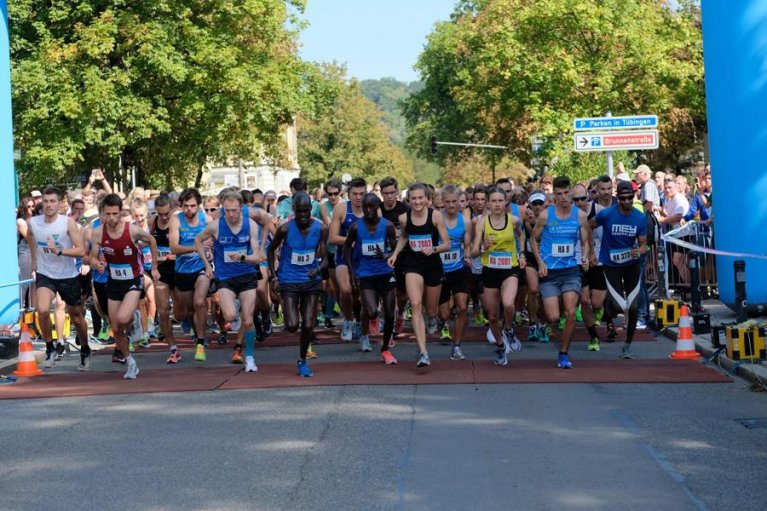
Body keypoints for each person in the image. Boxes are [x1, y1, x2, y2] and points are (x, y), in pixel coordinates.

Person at [90, 193, 160, 379]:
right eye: (107, 214)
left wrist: (154, 266)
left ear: (121, 212)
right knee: (116, 327)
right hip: (113, 280)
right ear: (102, 214)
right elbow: (92, 257)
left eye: (115, 213)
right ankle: (131, 363)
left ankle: (135, 317)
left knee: (122, 318)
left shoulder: (132, 230)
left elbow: (152, 240)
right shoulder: (98, 233)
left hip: (133, 280)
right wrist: (96, 263)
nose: (111, 218)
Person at [196, 191, 263, 372]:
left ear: (241, 208)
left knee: (248, 320)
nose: (231, 215)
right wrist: (207, 265)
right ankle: (238, 310)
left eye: (234, 210)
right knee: (230, 316)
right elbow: (198, 240)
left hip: (247, 275)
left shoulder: (251, 225)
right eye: (227, 211)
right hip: (225, 277)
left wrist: (242, 257)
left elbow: (257, 257)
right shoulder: (216, 226)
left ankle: (249, 357)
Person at [26, 186, 91, 371]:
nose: (48, 205)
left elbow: (81, 250)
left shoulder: (68, 224)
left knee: (77, 317)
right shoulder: (33, 222)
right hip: (45, 273)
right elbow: (30, 237)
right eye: (45, 201)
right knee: (43, 310)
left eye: (52, 201)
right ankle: (50, 349)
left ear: (60, 204)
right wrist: (34, 259)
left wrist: (61, 251)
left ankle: (85, 349)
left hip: (68, 275)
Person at [530, 176, 591, 369]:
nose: (563, 197)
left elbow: (586, 241)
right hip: (550, 272)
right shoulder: (546, 216)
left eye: (566, 193)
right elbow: (533, 240)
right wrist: (540, 263)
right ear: (553, 195)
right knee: (554, 317)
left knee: (571, 313)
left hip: (571, 271)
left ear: (571, 192)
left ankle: (563, 353)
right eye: (559, 194)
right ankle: (544, 321)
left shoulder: (579, 216)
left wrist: (586, 256)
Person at [387, 183, 450, 367]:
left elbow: (447, 244)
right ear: (409, 200)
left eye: (420, 198)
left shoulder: (436, 216)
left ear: (427, 198)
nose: (417, 201)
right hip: (413, 264)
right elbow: (405, 236)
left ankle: (433, 319)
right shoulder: (404, 218)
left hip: (432, 266)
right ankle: (423, 352)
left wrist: (434, 248)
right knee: (415, 304)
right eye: (413, 198)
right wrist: (395, 254)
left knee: (431, 311)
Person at [268, 193, 329, 377]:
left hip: (311, 281)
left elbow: (327, 257)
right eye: (299, 211)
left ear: (311, 210)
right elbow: (270, 250)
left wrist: (318, 268)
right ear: (294, 210)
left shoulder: (321, 229)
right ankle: (285, 311)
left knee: (309, 324)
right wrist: (273, 277)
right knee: (293, 325)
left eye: (306, 211)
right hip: (289, 279)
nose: (303, 215)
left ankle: (302, 359)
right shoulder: (285, 229)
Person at [593, 181, 648, 359]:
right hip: (611, 265)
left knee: (632, 307)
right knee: (618, 305)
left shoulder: (639, 217)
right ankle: (607, 310)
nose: (626, 201)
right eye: (622, 198)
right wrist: (589, 249)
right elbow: (588, 225)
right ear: (618, 197)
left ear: (634, 196)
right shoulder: (607, 214)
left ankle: (628, 345)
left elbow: (643, 245)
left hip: (631, 265)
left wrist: (637, 251)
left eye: (629, 198)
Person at [470, 187, 524, 366]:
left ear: (505, 202)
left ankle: (508, 329)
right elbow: (474, 251)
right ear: (487, 203)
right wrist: (484, 246)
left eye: (500, 200)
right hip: (490, 269)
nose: (497, 204)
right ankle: (501, 346)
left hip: (510, 268)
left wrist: (521, 253)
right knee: (492, 316)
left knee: (508, 304)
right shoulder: (481, 223)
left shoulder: (514, 220)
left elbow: (520, 236)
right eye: (493, 201)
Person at [343, 193, 398, 361]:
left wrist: (387, 254)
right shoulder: (356, 227)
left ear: (377, 207)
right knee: (372, 311)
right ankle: (373, 318)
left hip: (385, 273)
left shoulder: (387, 226)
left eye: (371, 207)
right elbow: (346, 248)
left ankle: (385, 349)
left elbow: (396, 250)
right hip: (366, 273)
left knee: (389, 314)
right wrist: (352, 272)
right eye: (365, 207)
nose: (368, 210)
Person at [169, 188, 213, 361]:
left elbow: (213, 241)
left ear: (198, 205)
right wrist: (197, 247)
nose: (189, 209)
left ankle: (201, 343)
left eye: (193, 206)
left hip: (201, 267)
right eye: (186, 206)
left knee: (200, 302)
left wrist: (210, 250)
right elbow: (174, 247)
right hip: (182, 270)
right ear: (181, 205)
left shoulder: (206, 219)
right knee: (187, 311)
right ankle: (196, 332)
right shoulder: (176, 220)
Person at [436, 185, 472, 361]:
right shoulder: (436, 219)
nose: (451, 205)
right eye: (447, 202)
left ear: (460, 202)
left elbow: (468, 244)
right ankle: (440, 320)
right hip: (439, 272)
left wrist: (467, 255)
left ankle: (457, 346)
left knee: (463, 307)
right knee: (444, 314)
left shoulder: (464, 221)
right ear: (442, 202)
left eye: (454, 201)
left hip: (458, 270)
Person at [329, 178, 366, 341]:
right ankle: (348, 320)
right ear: (348, 194)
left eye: (362, 194)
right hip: (344, 255)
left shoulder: (373, 209)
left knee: (359, 295)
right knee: (345, 289)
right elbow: (332, 238)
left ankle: (360, 321)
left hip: (365, 257)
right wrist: (352, 239)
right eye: (355, 194)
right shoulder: (341, 208)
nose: (358, 197)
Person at [150, 194, 182, 363]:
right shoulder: (152, 222)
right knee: (163, 311)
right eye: (160, 214)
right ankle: (173, 349)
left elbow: (182, 247)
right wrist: (153, 265)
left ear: (172, 209)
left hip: (178, 270)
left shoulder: (177, 222)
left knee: (180, 313)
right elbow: (149, 242)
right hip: (161, 272)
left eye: (166, 214)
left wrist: (174, 255)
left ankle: (173, 323)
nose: (163, 217)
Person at [379, 176, 410, 334]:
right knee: (387, 293)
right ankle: (387, 323)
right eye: (386, 193)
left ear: (397, 192)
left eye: (392, 192)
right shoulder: (378, 209)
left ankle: (399, 314)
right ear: (381, 193)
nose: (389, 196)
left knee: (401, 294)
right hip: (383, 255)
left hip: (403, 255)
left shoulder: (405, 209)